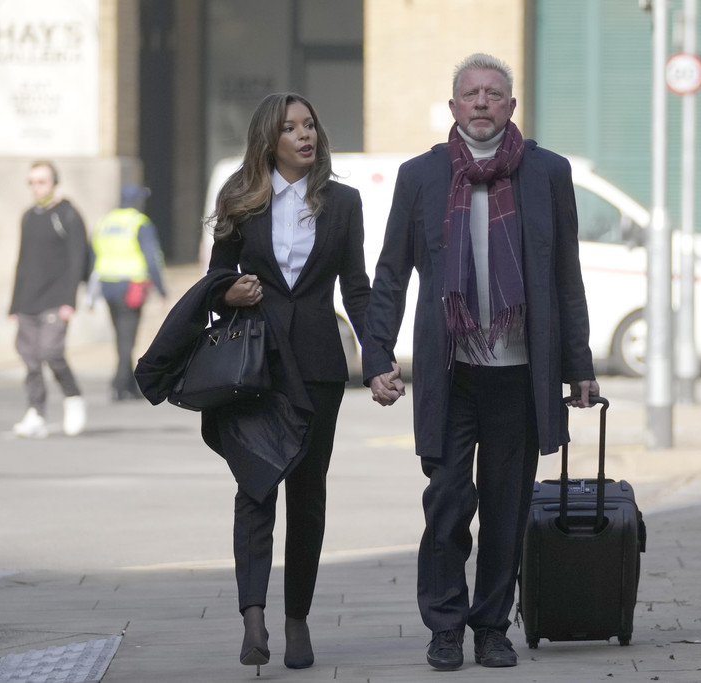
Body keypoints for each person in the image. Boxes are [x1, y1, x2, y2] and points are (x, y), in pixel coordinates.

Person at [361, 53, 600, 671]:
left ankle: (492, 626)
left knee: (505, 509)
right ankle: (445, 627)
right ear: (454, 106)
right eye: (471, 94)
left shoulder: (547, 173)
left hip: (519, 376)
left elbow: (565, 275)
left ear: (512, 106)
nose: (482, 103)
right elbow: (390, 274)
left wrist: (579, 365)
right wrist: (377, 354)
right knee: (446, 504)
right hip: (451, 373)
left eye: (494, 94)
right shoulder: (422, 176)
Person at [206, 92, 370, 672]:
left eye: (310, 125)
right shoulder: (240, 199)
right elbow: (215, 280)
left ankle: (296, 617)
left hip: (320, 368)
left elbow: (356, 287)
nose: (305, 135)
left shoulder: (343, 203)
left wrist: (378, 360)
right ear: (268, 140)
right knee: (255, 489)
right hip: (257, 367)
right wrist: (230, 291)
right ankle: (253, 616)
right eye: (291, 128)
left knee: (307, 495)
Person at [9, 160, 89, 439]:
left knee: (51, 352)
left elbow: (78, 259)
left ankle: (73, 397)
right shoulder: (28, 216)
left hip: (56, 299)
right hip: (28, 301)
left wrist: (69, 301)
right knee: (30, 360)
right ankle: (36, 412)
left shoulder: (67, 214)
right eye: (31, 182)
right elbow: (22, 261)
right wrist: (14, 304)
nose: (36, 187)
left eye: (41, 181)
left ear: (54, 182)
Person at [89, 184, 168, 401]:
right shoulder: (139, 222)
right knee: (127, 339)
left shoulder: (105, 222)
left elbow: (93, 255)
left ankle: (130, 386)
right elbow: (152, 257)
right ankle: (118, 384)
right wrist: (161, 288)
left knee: (121, 336)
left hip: (108, 286)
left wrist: (91, 290)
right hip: (131, 287)